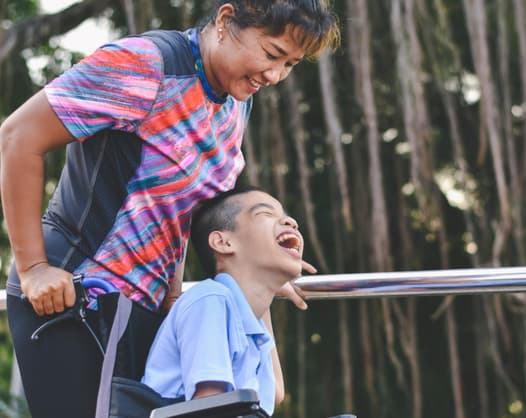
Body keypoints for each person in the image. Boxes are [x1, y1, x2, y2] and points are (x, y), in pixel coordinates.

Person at [0, 1, 339, 416]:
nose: (274, 76)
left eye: (290, 64)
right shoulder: (147, 65)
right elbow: (18, 136)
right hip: (76, 288)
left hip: (146, 305)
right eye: (271, 53)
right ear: (226, 20)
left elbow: (187, 205)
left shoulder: (235, 102)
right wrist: (34, 267)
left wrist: (259, 268)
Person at [142, 185, 302, 415]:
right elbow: (210, 407)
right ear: (223, 242)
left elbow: (274, 394)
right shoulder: (210, 300)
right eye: (266, 214)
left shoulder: (250, 321)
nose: (291, 222)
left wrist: (267, 286)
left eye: (287, 217)